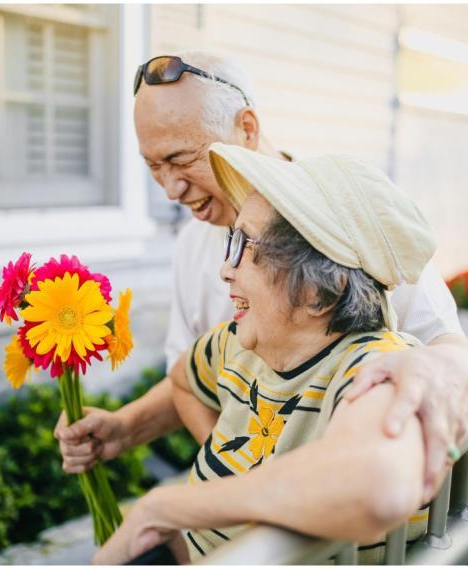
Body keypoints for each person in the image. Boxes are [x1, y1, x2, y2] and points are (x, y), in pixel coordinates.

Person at [55, 50, 468, 503]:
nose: (171, 189)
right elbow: (192, 375)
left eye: (181, 159)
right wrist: (128, 428)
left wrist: (445, 370)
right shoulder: (191, 246)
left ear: (248, 128)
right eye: (153, 166)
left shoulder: (340, 218)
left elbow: (448, 348)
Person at [93, 142, 440, 564]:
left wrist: (161, 508)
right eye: (230, 241)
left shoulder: (373, 367)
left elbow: (376, 490)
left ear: (319, 292)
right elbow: (184, 382)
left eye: (247, 246)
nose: (226, 268)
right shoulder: (236, 345)